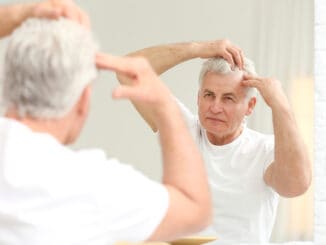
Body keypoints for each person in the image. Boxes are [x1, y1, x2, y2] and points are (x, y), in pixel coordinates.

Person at [0, 7, 231, 244]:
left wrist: (22, 13)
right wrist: (165, 105)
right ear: (83, 100)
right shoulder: (94, 184)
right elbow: (194, 209)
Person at [111, 40, 312, 243]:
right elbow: (127, 71)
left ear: (250, 106)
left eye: (228, 98)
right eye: (209, 95)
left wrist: (280, 105)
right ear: (199, 98)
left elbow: (296, 185)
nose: (215, 107)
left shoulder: (264, 150)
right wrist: (196, 49)